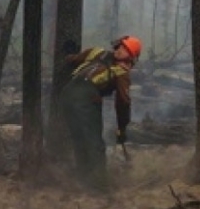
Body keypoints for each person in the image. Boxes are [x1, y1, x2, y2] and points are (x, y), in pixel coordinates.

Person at [59, 35, 142, 193]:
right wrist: (122, 129)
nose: (119, 50)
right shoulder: (119, 71)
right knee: (94, 143)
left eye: (125, 49)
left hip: (68, 95)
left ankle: (83, 181)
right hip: (85, 97)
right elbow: (123, 103)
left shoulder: (99, 55)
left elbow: (73, 60)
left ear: (131, 56)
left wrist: (70, 55)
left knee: (80, 140)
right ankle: (100, 187)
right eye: (120, 46)